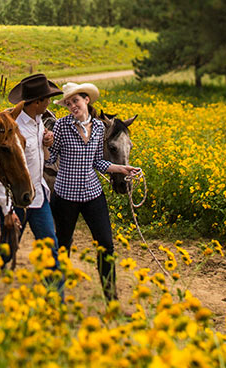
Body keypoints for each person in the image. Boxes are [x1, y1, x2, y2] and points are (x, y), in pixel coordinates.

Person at [47, 82, 140, 301]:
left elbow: (98, 162)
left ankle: (112, 300)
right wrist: (45, 143)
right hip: (65, 196)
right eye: (68, 103)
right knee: (62, 246)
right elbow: (51, 159)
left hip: (92, 195)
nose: (72, 106)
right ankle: (56, 299)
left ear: (86, 100)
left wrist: (121, 168)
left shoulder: (99, 129)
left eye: (75, 101)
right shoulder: (60, 126)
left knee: (106, 245)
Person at [0, 74, 64, 294]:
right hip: (16, 201)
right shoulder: (13, 127)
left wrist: (46, 142)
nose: (49, 102)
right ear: (37, 102)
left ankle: (57, 301)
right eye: (46, 99)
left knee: (50, 248)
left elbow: (42, 160)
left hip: (38, 197)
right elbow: (2, 171)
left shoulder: (39, 122)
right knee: (8, 250)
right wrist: (7, 210)